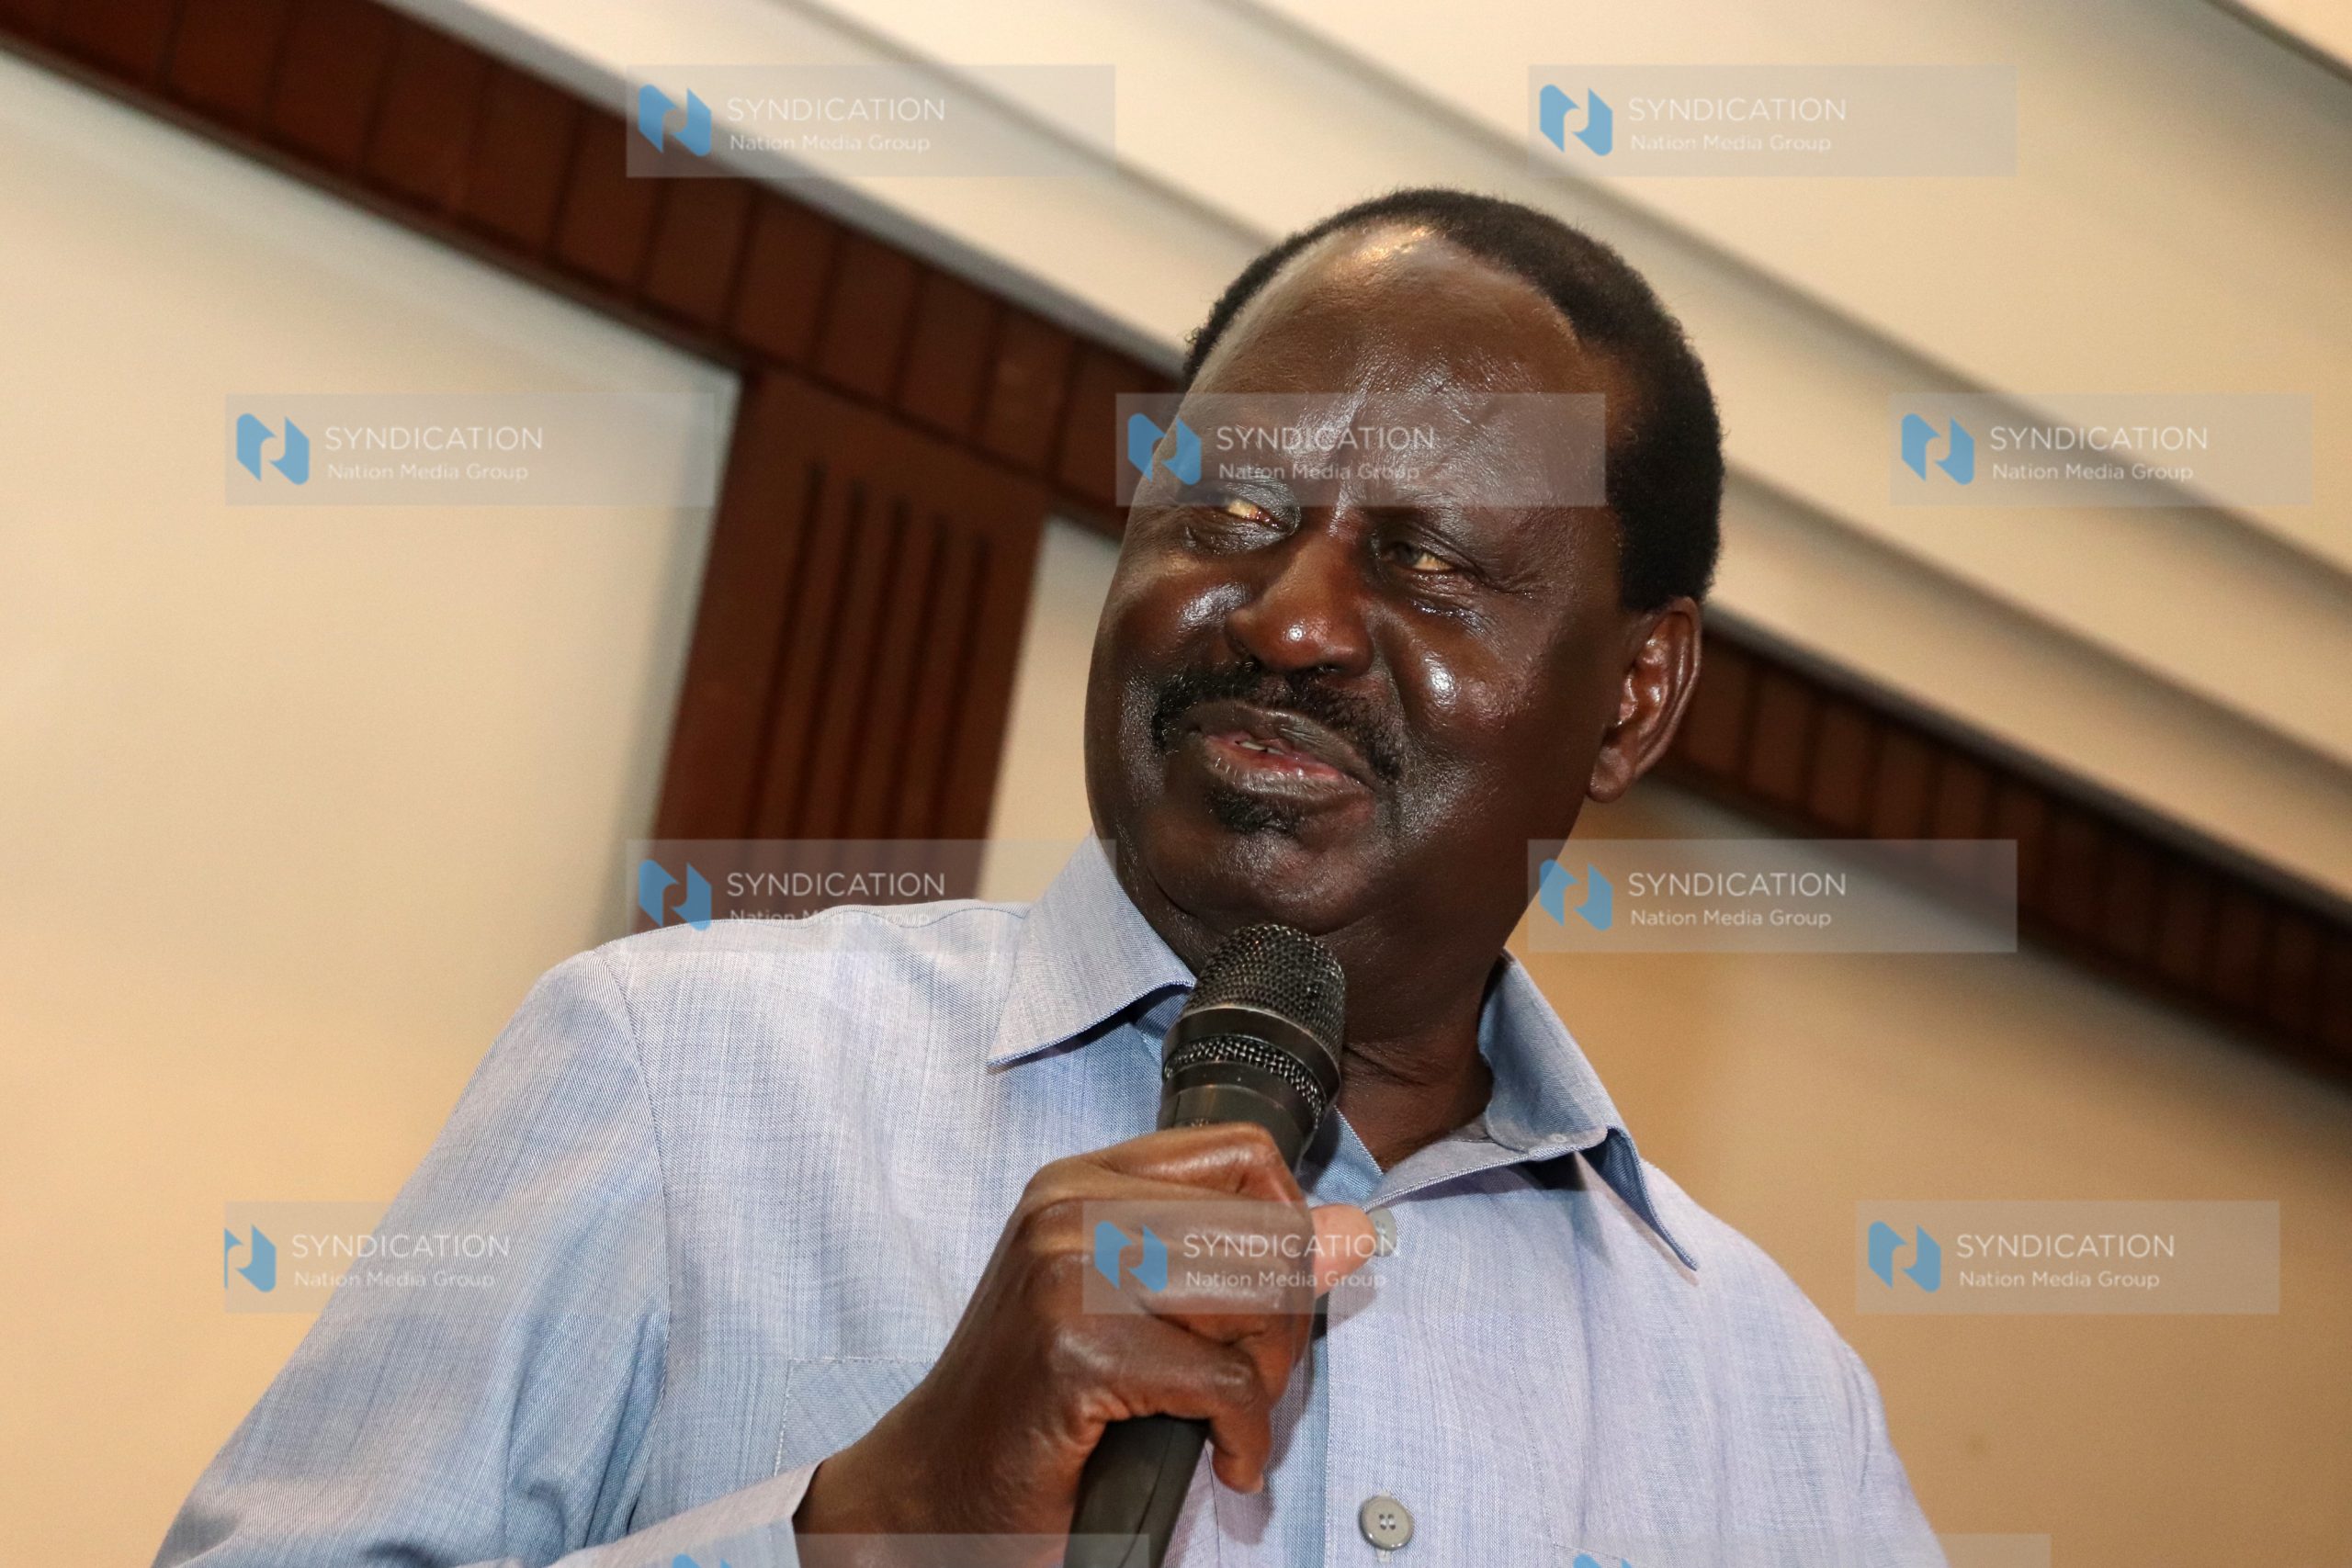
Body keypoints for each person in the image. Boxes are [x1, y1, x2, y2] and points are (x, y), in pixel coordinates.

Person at [158, 188, 1940, 1568]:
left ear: (1632, 694)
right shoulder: (678, 1068)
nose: (1291, 615)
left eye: (1422, 558)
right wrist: (865, 1523)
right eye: (1226, 513)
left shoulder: (1772, 1405)